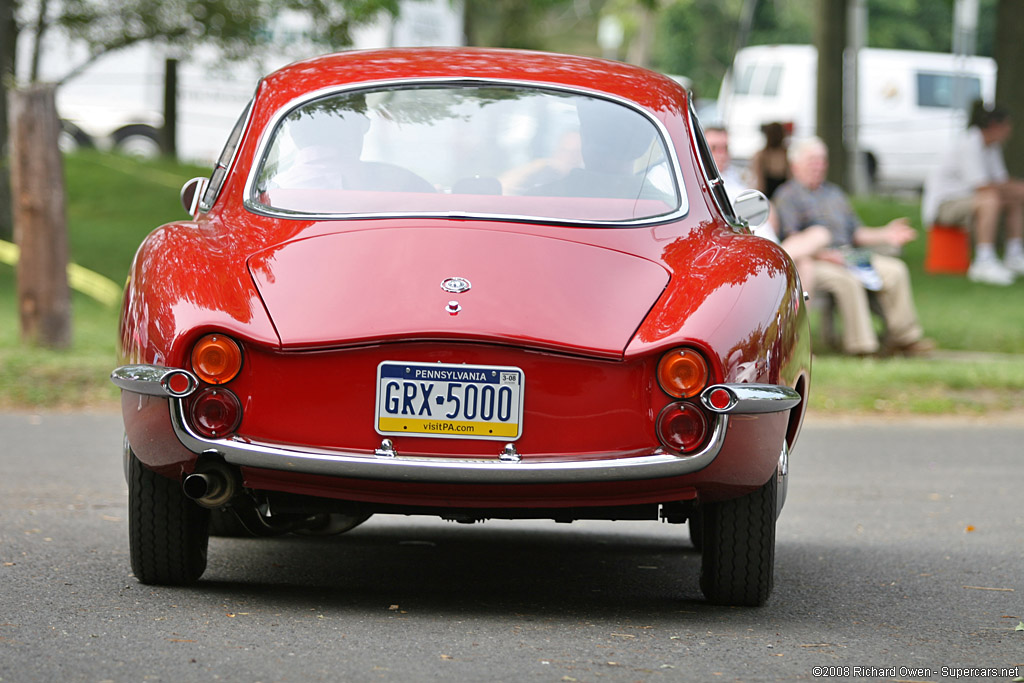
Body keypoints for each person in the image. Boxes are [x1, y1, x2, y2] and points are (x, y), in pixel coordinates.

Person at [774, 136, 934, 357]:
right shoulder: (788, 196)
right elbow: (793, 242)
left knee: (895, 270)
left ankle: (903, 337)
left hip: (848, 255)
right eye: (812, 160)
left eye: (822, 160)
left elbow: (856, 233)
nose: (819, 165)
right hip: (816, 260)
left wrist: (885, 234)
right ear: (795, 165)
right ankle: (862, 346)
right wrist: (829, 256)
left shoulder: (835, 194)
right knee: (846, 281)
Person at [921, 101, 1024, 286]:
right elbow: (982, 186)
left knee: (1014, 199)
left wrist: (1018, 190)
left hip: (968, 200)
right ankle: (983, 262)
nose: (1010, 130)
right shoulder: (970, 143)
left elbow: (1001, 181)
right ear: (994, 126)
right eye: (1007, 125)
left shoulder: (992, 147)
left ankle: (1014, 255)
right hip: (943, 206)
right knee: (990, 200)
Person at [704, 125, 777, 241]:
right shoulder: (701, 182)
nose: (721, 153)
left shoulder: (734, 174)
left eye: (725, 148)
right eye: (714, 148)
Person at [749, 122, 790, 199]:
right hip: (766, 197)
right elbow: (758, 182)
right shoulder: (761, 156)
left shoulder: (787, 155)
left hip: (784, 198)